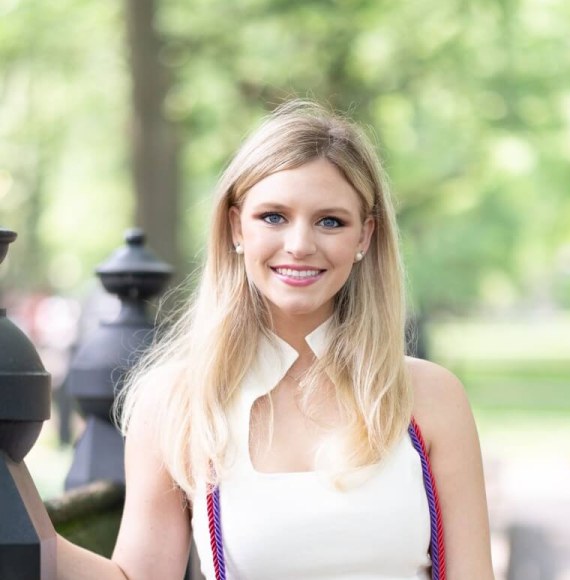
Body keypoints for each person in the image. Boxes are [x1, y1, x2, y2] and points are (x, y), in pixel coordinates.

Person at [57, 100, 494, 579]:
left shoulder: (429, 397)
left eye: (331, 221)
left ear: (365, 236)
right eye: (273, 216)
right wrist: (26, 520)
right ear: (234, 226)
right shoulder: (178, 403)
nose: (300, 244)